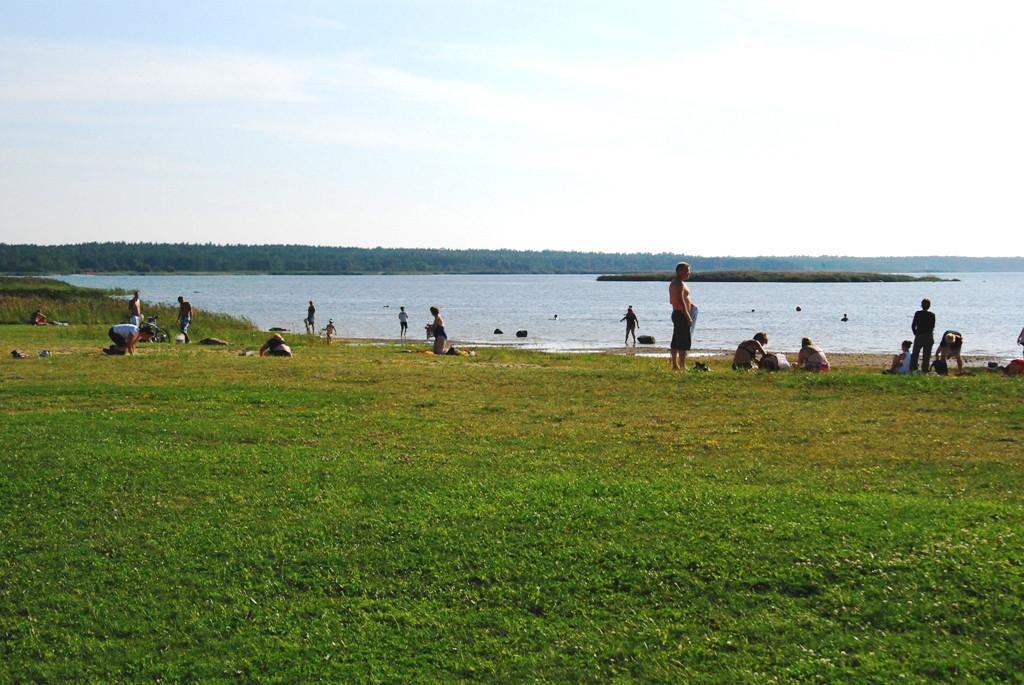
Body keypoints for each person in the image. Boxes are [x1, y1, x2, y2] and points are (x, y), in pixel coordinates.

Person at [668, 262, 694, 371]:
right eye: (686, 271)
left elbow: (676, 300)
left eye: (689, 271)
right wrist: (688, 317)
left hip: (677, 313)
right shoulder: (678, 283)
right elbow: (680, 301)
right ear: (679, 271)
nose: (688, 273)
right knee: (683, 341)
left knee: (676, 340)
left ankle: (675, 365)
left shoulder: (675, 282)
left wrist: (690, 305)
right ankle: (682, 365)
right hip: (681, 314)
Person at [910, 298, 935, 372]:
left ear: (921, 305)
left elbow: (913, 325)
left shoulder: (918, 313)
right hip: (928, 336)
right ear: (929, 306)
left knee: (915, 353)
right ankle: (924, 369)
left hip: (919, 335)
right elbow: (932, 326)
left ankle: (913, 368)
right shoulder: (932, 315)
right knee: (926, 355)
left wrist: (915, 333)